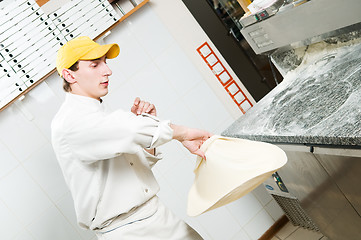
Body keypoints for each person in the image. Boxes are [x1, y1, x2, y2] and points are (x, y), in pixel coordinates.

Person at [51, 36, 212, 240]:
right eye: (95, 65)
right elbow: (129, 130)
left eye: (105, 63)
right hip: (125, 230)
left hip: (156, 214)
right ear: (69, 75)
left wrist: (148, 125)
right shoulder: (69, 122)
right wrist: (182, 134)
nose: (107, 71)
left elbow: (134, 166)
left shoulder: (99, 115)